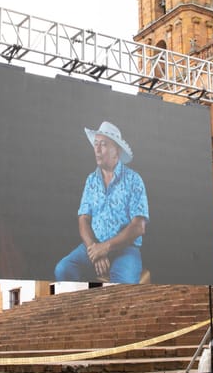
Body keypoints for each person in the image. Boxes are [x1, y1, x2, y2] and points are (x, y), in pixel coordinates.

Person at [55, 121, 149, 284]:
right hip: (92, 246)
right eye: (96, 144)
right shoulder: (91, 180)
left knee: (122, 285)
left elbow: (138, 226)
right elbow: (83, 219)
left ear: (116, 151)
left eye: (103, 144)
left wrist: (105, 248)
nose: (97, 149)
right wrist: (94, 249)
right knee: (63, 269)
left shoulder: (134, 180)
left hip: (125, 249)